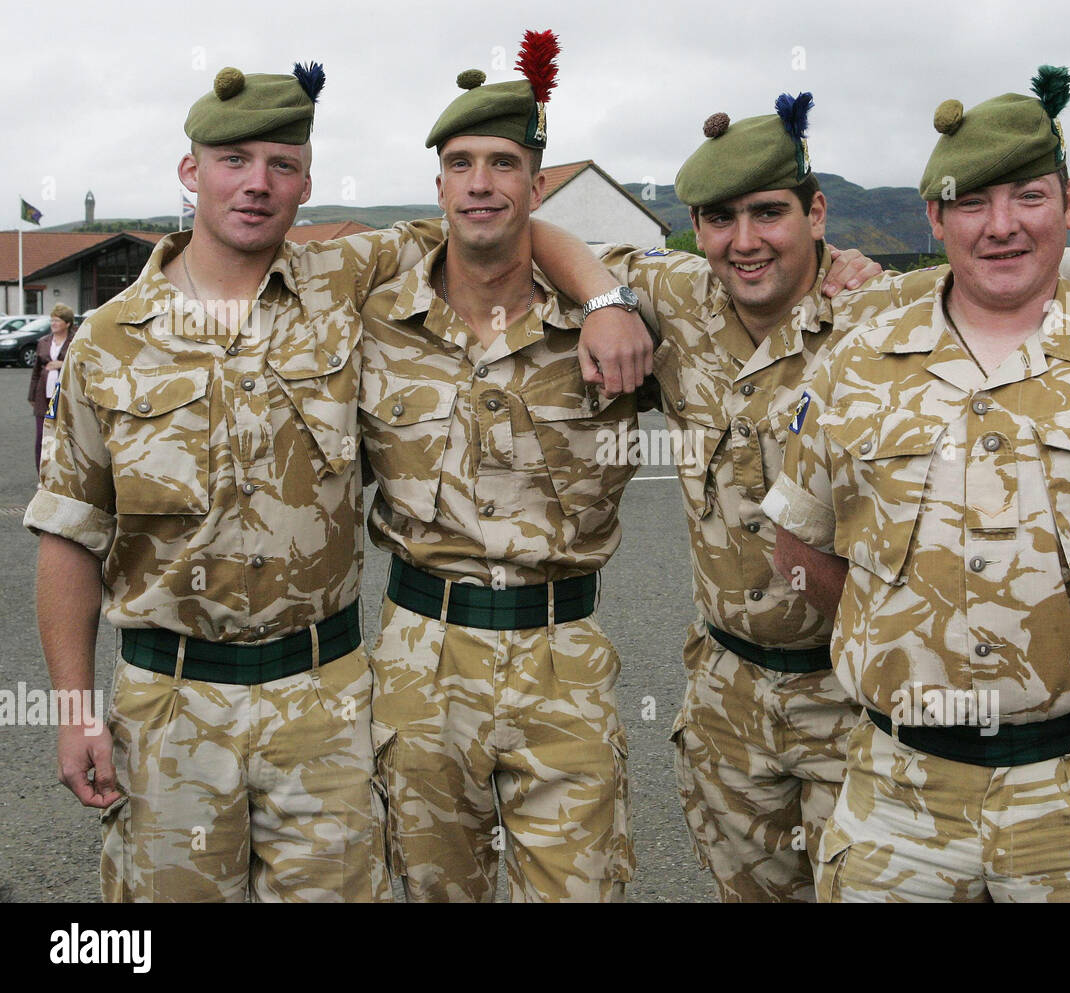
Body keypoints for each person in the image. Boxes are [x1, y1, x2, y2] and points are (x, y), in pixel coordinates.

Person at [568, 92, 1070, 902]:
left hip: (988, 754)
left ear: (816, 215)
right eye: (969, 202)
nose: (744, 240)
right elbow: (798, 547)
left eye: (768, 212)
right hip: (789, 715)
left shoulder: (880, 315)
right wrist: (601, 305)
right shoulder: (720, 310)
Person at [26, 61, 646, 903]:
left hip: (323, 703)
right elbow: (69, 530)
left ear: (306, 182)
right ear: (190, 171)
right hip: (167, 708)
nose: (256, 184)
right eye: (233, 160)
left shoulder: (352, 280)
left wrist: (606, 299)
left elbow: (502, 225)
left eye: (282, 165)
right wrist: (73, 708)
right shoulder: (107, 340)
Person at [763, 67, 1070, 902]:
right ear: (936, 216)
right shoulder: (857, 363)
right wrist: (898, 642)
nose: (1001, 227)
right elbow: (796, 547)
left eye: (1027, 197)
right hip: (901, 798)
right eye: (971, 203)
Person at [362, 32, 656, 903]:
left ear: (538, 181)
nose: (481, 183)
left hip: (561, 646)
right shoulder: (374, 305)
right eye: (460, 164)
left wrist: (604, 299)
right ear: (439, 185)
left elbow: (763, 283)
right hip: (421, 651)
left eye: (502, 162)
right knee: (430, 888)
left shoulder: (629, 309)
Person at [28, 303, 76, 470]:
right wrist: (32, 395)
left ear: (67, 323)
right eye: (52, 320)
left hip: (66, 396)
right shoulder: (43, 342)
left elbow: (83, 365)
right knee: (42, 437)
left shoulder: (75, 341)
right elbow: (36, 371)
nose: (53, 323)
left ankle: (66, 473)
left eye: (57, 320)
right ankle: (43, 474)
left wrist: (62, 364)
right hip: (44, 395)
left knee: (67, 436)